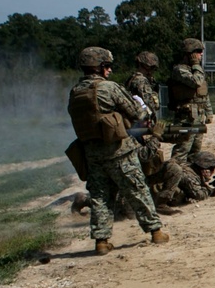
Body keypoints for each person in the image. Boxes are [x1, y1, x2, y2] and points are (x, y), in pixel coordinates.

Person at [67, 46, 169, 255]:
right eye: (108, 66)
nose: (110, 70)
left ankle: (102, 241)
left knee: (100, 197)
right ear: (101, 67)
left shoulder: (76, 91)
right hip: (118, 151)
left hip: (91, 154)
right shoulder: (109, 88)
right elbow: (136, 112)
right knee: (137, 190)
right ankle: (155, 231)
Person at [167, 37, 214, 164]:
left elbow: (203, 92)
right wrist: (196, 65)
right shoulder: (180, 70)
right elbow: (196, 82)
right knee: (182, 150)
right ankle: (174, 177)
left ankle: (191, 178)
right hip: (186, 117)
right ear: (190, 53)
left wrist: (209, 112)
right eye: (198, 51)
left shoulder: (196, 70)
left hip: (199, 115)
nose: (201, 54)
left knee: (195, 151)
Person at [151, 150, 215, 210]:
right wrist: (210, 191)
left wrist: (204, 179)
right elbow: (198, 195)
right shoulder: (189, 176)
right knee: (181, 195)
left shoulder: (186, 165)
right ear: (206, 169)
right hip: (156, 194)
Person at [126, 51, 161, 121]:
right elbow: (149, 103)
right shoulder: (141, 80)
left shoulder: (132, 78)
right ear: (141, 65)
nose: (151, 71)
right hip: (143, 120)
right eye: (149, 67)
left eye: (153, 68)